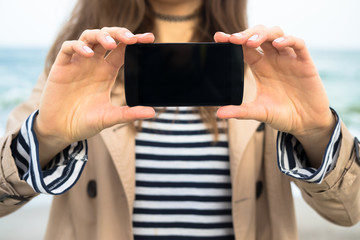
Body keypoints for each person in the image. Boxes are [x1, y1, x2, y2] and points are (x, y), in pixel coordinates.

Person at [0, 0, 359, 239]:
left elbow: (350, 211)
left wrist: (316, 132)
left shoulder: (263, 68)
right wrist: (45, 138)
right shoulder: (80, 62)